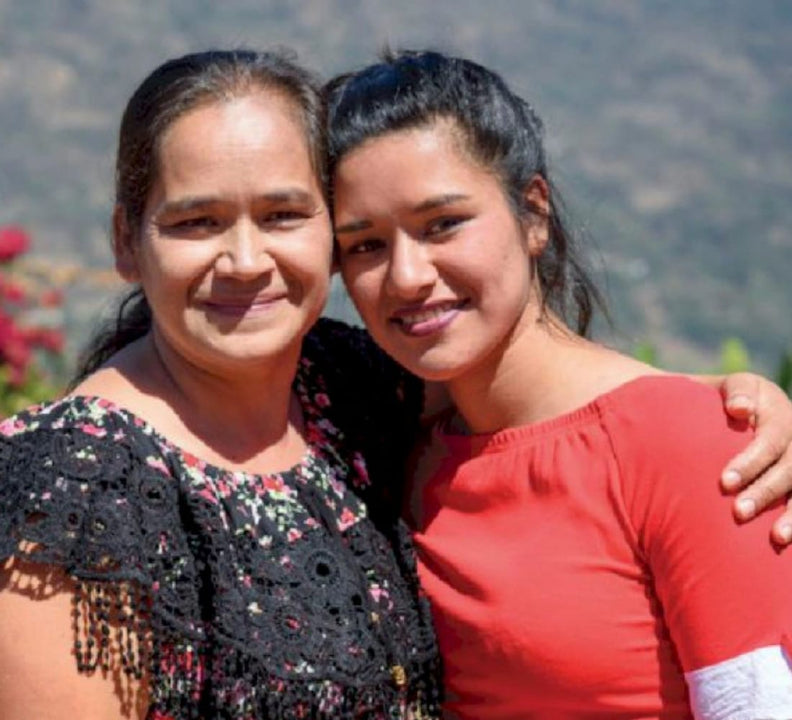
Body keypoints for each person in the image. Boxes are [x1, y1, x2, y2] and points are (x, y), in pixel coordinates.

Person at [0, 49, 792, 720]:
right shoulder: (71, 475)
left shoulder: (351, 393)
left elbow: (576, 426)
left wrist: (712, 412)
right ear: (127, 240)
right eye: (196, 221)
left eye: (285, 215)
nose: (246, 260)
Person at [326, 49, 792, 718]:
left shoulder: (692, 444)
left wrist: (697, 424)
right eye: (365, 244)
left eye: (443, 225)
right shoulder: (386, 449)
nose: (406, 276)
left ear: (534, 213)